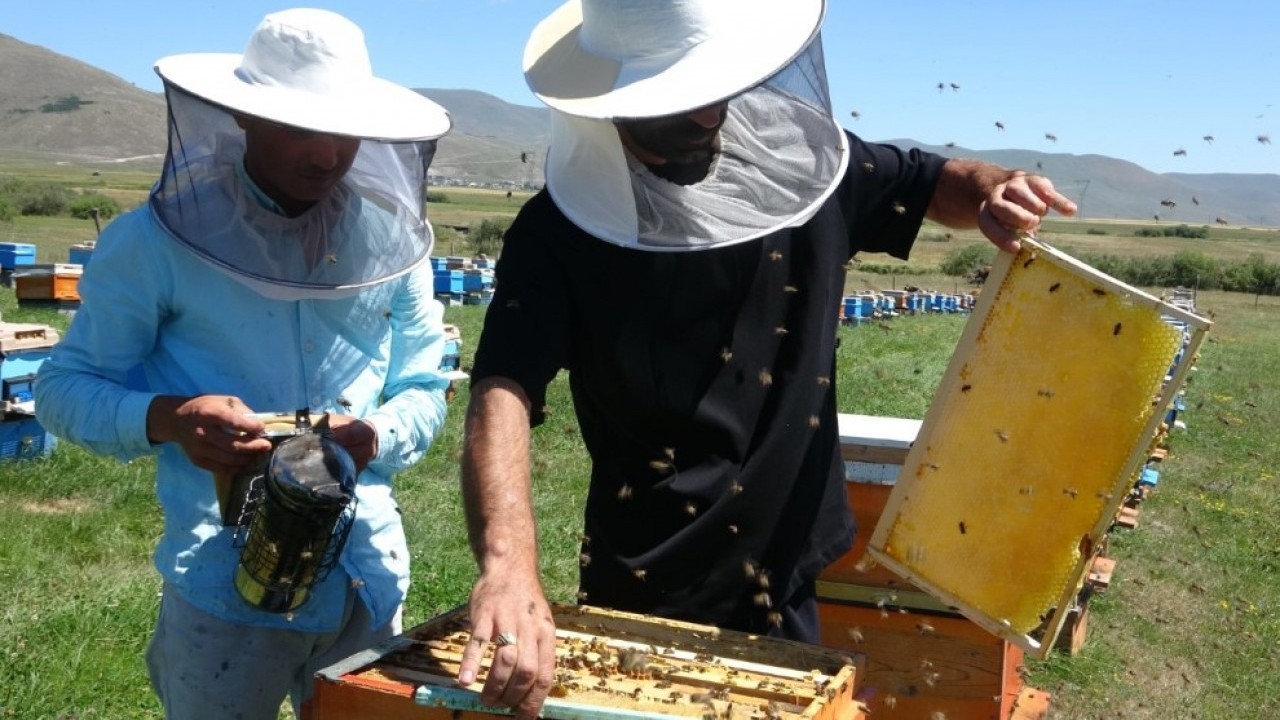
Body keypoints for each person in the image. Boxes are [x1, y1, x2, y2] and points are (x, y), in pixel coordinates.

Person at [457, 0, 1077, 718]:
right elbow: (502, 387)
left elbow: (933, 181)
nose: (707, 118)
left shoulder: (801, 160)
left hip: (789, 558)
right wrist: (507, 565)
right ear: (613, 101)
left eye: (714, 88)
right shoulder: (556, 230)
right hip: (648, 569)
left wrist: (993, 191)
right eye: (678, 102)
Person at [35, 9, 453, 719]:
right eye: (299, 129)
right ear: (243, 116)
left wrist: (377, 434)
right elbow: (61, 389)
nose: (327, 155)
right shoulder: (153, 243)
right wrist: (168, 418)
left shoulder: (390, 244)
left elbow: (424, 384)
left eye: (345, 131)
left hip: (367, 579)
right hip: (223, 590)